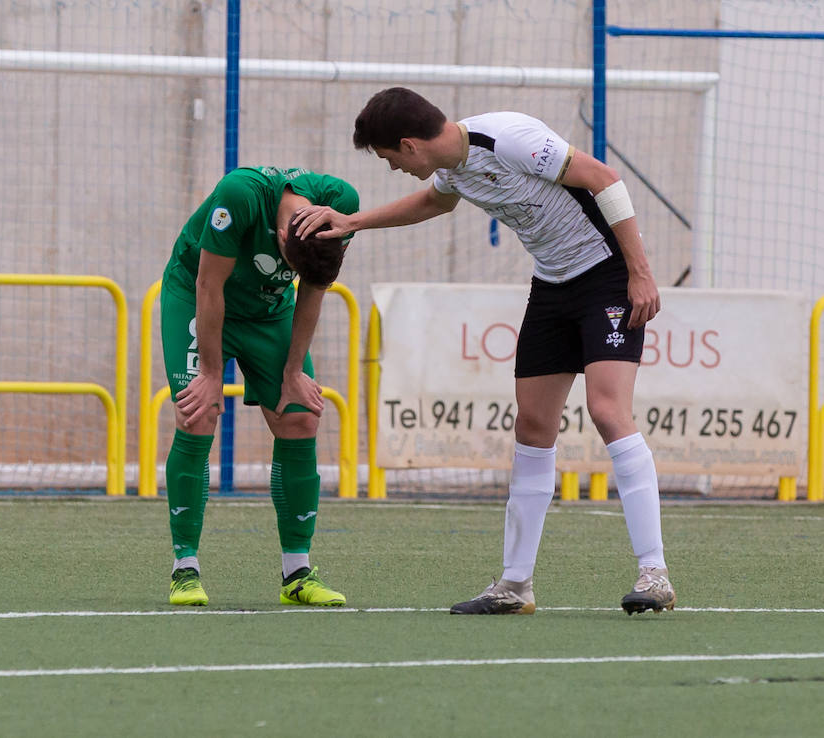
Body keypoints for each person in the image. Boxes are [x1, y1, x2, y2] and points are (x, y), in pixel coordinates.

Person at [293, 87, 674, 616]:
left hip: (607, 278)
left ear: (409, 145)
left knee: (608, 411)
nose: (392, 169)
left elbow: (605, 179)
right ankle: (515, 585)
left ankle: (653, 573)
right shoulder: (450, 169)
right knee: (533, 426)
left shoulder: (510, 139)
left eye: (388, 159)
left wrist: (639, 272)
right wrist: (354, 221)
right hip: (552, 284)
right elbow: (435, 201)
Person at [160, 166, 359, 607]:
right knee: (198, 413)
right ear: (284, 238)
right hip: (198, 298)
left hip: (268, 311)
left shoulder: (339, 204)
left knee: (301, 416)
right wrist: (211, 374)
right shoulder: (241, 195)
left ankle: (297, 573)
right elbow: (209, 286)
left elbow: (312, 291)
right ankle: (185, 568)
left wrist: (293, 371)